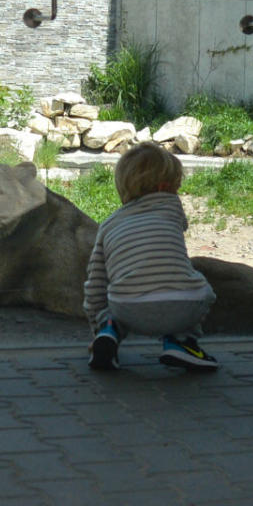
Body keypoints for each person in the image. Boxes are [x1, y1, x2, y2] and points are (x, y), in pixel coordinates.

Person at [84, 142, 219, 372]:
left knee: (112, 299)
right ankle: (181, 341)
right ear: (165, 187)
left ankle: (109, 331)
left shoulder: (107, 226)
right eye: (176, 186)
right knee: (204, 289)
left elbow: (95, 285)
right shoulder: (172, 208)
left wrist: (96, 325)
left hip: (128, 309)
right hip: (183, 308)